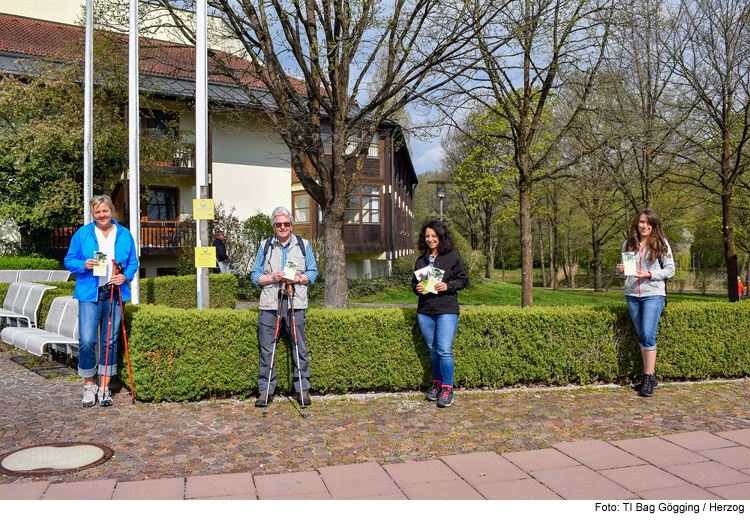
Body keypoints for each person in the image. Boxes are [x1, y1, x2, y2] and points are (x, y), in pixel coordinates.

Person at [64, 195, 139, 408]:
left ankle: (104, 388)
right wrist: (83, 264)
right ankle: (89, 386)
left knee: (110, 341)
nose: (102, 215)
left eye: (105, 211)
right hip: (90, 293)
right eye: (97, 212)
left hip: (115, 293)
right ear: (93, 213)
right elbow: (69, 260)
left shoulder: (124, 234)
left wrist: (125, 277)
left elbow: (133, 262)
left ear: (111, 210)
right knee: (87, 340)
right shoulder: (83, 233)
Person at [251, 206, 317, 408]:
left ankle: (302, 389)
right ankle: (265, 391)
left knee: (300, 348)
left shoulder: (303, 245)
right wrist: (272, 277)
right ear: (273, 226)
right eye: (278, 224)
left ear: (291, 225)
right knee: (267, 349)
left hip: (295, 302)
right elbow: (255, 276)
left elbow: (313, 273)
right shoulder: (265, 246)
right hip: (270, 304)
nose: (282, 227)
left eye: (286, 224)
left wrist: (298, 278)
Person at [616, 209, 675, 397]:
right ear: (637, 223)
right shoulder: (628, 243)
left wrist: (649, 274)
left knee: (649, 335)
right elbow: (628, 271)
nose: (644, 226)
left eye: (649, 223)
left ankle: (648, 378)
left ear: (654, 225)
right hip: (632, 294)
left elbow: (670, 270)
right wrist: (621, 270)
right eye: (642, 222)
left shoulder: (662, 244)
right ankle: (652, 377)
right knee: (642, 336)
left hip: (653, 294)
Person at [411, 220, 467, 408]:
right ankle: (437, 384)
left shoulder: (453, 257)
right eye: (427, 236)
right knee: (433, 350)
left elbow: (463, 280)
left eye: (434, 236)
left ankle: (447, 389)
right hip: (425, 311)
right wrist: (417, 288)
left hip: (446, 310)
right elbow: (413, 284)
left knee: (444, 349)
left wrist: (448, 286)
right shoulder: (421, 260)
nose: (430, 239)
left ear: (442, 237)